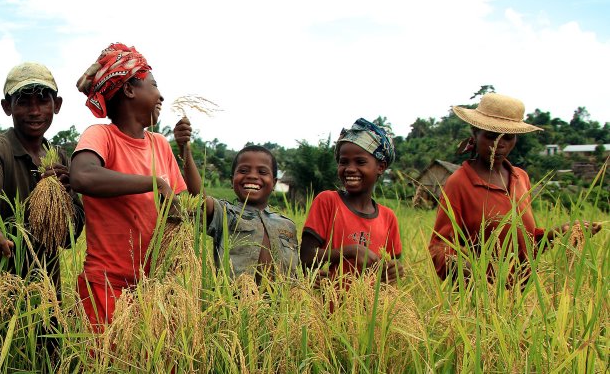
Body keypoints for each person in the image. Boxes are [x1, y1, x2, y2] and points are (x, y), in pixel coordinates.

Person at [69, 43, 190, 330]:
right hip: (107, 286)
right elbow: (82, 175)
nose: (161, 95)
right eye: (154, 85)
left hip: (156, 290)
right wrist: (153, 183)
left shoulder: (160, 144)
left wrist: (185, 149)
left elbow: (183, 204)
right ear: (129, 90)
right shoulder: (101, 136)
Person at [428, 93, 602, 282]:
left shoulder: (521, 178)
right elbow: (439, 247)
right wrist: (477, 278)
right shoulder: (460, 183)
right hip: (481, 295)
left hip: (524, 294)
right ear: (475, 133)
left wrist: (559, 232)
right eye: (491, 136)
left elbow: (525, 243)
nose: (499, 144)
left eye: (508, 137)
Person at [0, 62, 84, 289]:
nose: (34, 111)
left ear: (57, 105)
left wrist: (66, 195)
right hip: (1, 285)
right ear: (7, 107)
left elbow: (70, 238)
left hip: (48, 288)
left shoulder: (59, 157)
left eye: (43, 101)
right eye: (23, 102)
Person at [175, 117, 300, 280]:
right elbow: (200, 198)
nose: (252, 176)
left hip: (281, 297)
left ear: (274, 183)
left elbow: (296, 271)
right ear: (232, 180)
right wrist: (185, 151)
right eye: (243, 171)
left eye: (262, 172)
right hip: (235, 296)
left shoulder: (287, 225)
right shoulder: (226, 214)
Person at [299, 118, 403, 283]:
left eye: (360, 162)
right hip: (328, 299)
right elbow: (306, 256)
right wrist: (350, 251)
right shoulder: (327, 202)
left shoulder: (388, 218)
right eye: (343, 162)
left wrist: (395, 270)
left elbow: (393, 265)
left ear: (381, 167)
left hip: (372, 300)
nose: (350, 169)